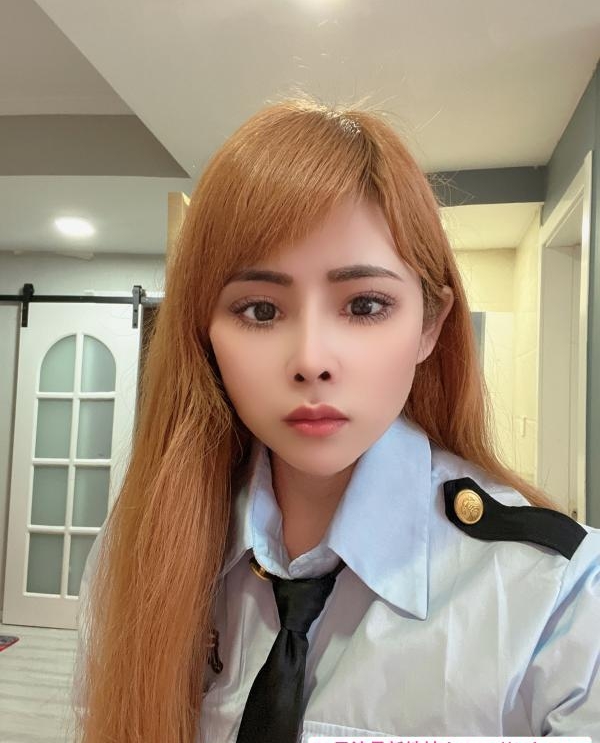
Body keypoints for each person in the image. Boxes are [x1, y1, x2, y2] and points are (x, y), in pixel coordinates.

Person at [74, 99, 600, 743]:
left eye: (366, 305)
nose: (311, 360)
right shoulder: (138, 555)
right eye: (260, 310)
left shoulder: (560, 597)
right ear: (203, 333)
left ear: (430, 325)